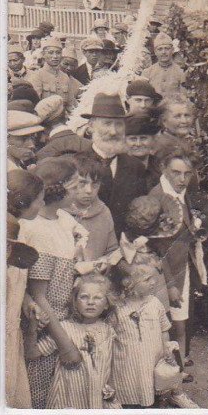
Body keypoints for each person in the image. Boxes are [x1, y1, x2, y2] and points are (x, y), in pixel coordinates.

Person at [18, 157, 87, 409]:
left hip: (63, 321)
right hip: (46, 330)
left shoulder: (62, 218)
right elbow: (39, 296)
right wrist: (65, 344)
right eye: (76, 185)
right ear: (57, 189)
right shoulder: (37, 229)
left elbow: (78, 233)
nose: (82, 191)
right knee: (41, 397)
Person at [148, 150, 207, 374]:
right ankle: (166, 377)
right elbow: (155, 249)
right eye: (176, 173)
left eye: (187, 174)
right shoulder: (157, 198)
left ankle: (178, 373)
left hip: (181, 266)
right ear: (164, 170)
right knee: (165, 327)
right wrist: (170, 284)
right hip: (163, 273)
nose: (181, 179)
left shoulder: (180, 194)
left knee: (180, 324)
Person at [28, 274, 119, 410]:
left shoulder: (108, 331)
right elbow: (32, 353)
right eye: (84, 297)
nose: (90, 302)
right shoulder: (64, 329)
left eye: (98, 297)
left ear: (106, 304)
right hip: (67, 399)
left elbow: (109, 367)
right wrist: (32, 326)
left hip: (96, 398)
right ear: (75, 302)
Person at [6, 169, 45, 408]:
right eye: (40, 198)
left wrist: (26, 300)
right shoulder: (5, 235)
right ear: (25, 202)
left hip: (12, 329)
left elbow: (16, 279)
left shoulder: (18, 229)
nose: (42, 203)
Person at [82, 93, 148, 235]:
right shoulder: (76, 164)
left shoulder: (136, 167)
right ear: (91, 126)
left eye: (118, 124)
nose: (113, 131)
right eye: (107, 124)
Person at [111, 262, 174, 408]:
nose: (153, 282)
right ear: (129, 284)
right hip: (128, 367)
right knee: (129, 400)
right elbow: (109, 337)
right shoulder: (117, 309)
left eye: (153, 278)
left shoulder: (155, 303)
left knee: (153, 396)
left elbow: (164, 329)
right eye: (147, 279)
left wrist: (167, 349)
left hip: (153, 362)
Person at [65, 154, 119, 263]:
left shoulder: (104, 212)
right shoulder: (58, 212)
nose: (89, 190)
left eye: (95, 184)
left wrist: (103, 262)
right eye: (82, 183)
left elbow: (112, 250)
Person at [27, 37, 82, 114]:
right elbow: (34, 106)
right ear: (43, 54)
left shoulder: (65, 77)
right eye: (51, 52)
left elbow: (71, 104)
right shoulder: (37, 76)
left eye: (58, 52)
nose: (55, 56)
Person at [143, 33, 186, 97]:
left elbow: (184, 97)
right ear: (155, 52)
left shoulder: (180, 72)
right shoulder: (147, 72)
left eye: (167, 48)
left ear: (172, 50)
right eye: (160, 49)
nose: (163, 52)